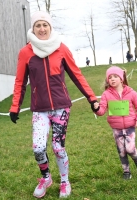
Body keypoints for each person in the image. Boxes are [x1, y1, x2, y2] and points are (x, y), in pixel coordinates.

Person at [9, 11, 98, 199]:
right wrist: (15, 106)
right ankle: (46, 178)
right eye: (37, 25)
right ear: (32, 29)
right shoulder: (26, 52)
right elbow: (19, 81)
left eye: (45, 25)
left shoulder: (61, 49)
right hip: (39, 110)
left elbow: (77, 75)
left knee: (58, 148)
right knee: (38, 148)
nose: (41, 29)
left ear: (50, 27)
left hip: (61, 107)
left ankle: (65, 181)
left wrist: (92, 98)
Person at [93, 66, 137, 180]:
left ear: (121, 79)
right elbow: (102, 111)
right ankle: (126, 171)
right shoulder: (106, 94)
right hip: (116, 128)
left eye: (115, 76)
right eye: (110, 77)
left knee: (130, 149)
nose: (112, 79)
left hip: (130, 126)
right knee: (122, 151)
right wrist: (96, 108)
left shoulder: (131, 92)